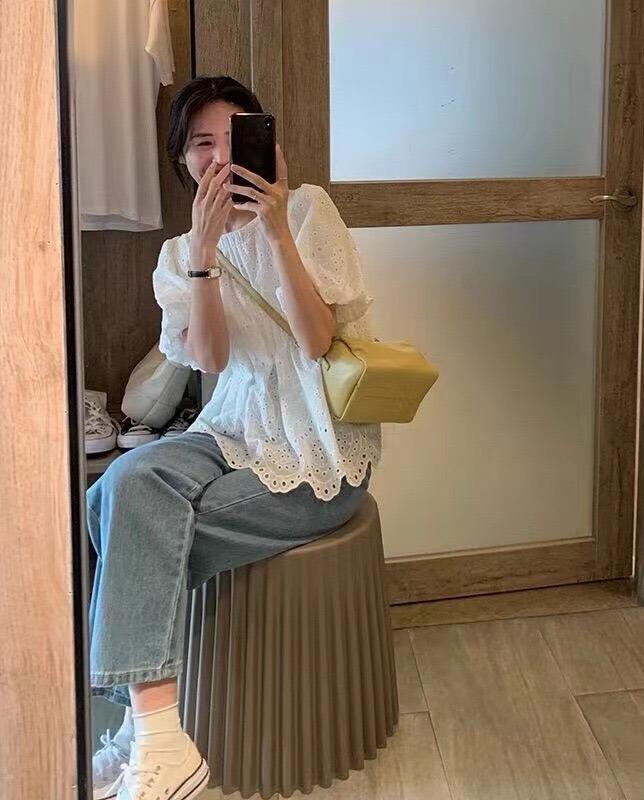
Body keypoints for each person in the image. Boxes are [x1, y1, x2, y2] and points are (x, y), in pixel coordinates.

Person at [87, 75, 381, 800]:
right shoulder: (177, 256)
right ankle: (156, 735)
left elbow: (316, 341)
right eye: (201, 143)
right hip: (230, 431)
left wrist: (275, 230)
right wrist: (204, 256)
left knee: (128, 520)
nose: (219, 156)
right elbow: (212, 358)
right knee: (117, 489)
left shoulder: (307, 212)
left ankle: (144, 733)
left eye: (235, 137)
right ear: (181, 160)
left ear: (266, 145)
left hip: (316, 454)